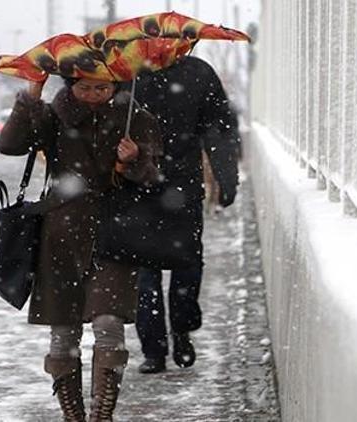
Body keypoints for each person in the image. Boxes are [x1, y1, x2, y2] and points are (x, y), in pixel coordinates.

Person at [0, 76, 161, 421]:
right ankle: (73, 416)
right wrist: (32, 96)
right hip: (61, 234)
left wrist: (135, 159)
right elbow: (10, 144)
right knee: (64, 329)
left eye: (102, 88)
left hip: (114, 233)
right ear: (70, 84)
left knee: (109, 322)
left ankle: (102, 414)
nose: (92, 96)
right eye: (84, 88)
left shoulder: (136, 117)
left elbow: (150, 178)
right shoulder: (54, 115)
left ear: (115, 85)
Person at [132, 55, 241, 374]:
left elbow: (217, 128)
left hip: (153, 186)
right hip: (168, 187)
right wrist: (225, 176)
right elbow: (218, 130)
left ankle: (161, 345)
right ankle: (169, 338)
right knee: (178, 264)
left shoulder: (130, 71)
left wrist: (226, 176)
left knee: (153, 269)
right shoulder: (197, 72)